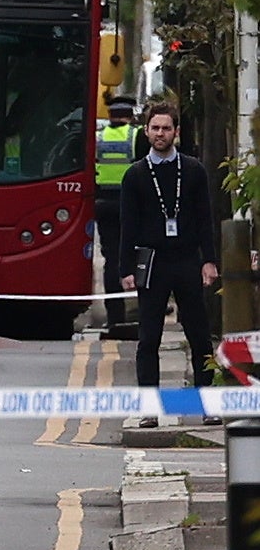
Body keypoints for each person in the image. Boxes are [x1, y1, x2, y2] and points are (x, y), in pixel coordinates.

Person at [120, 101, 221, 428]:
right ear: (146, 131)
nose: (160, 134)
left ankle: (207, 403)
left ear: (176, 132)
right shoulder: (135, 175)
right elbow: (128, 226)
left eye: (166, 128)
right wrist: (126, 269)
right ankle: (149, 407)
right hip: (152, 262)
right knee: (149, 338)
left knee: (199, 335)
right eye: (154, 128)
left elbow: (206, 219)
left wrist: (209, 260)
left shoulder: (193, 171)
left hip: (187, 260)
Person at [93, 96, 137, 330]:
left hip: (103, 204)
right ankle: (138, 309)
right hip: (130, 205)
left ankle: (115, 316)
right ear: (130, 116)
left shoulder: (99, 138)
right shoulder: (136, 136)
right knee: (137, 255)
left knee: (112, 259)